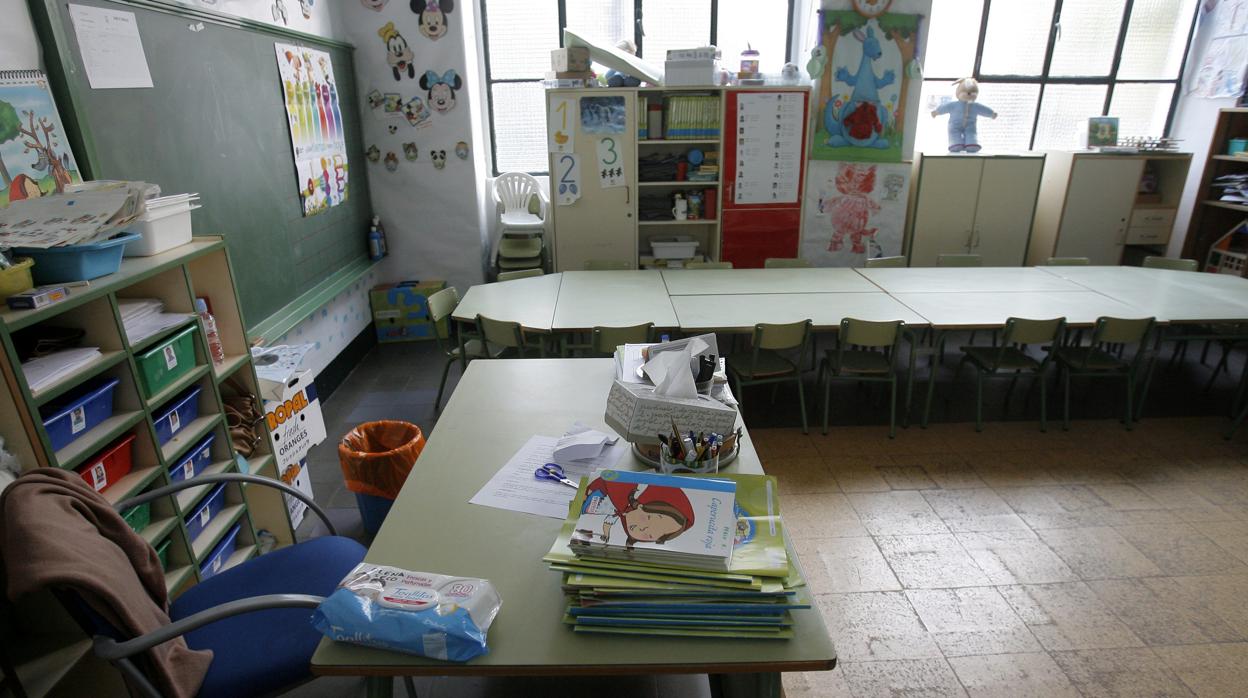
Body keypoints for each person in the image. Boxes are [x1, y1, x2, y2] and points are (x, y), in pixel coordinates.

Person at [575, 475, 695, 548]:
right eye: (649, 518)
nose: (643, 529)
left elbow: (608, 523)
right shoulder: (621, 489)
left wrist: (606, 535)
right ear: (642, 506)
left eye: (650, 535)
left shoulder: (619, 513)